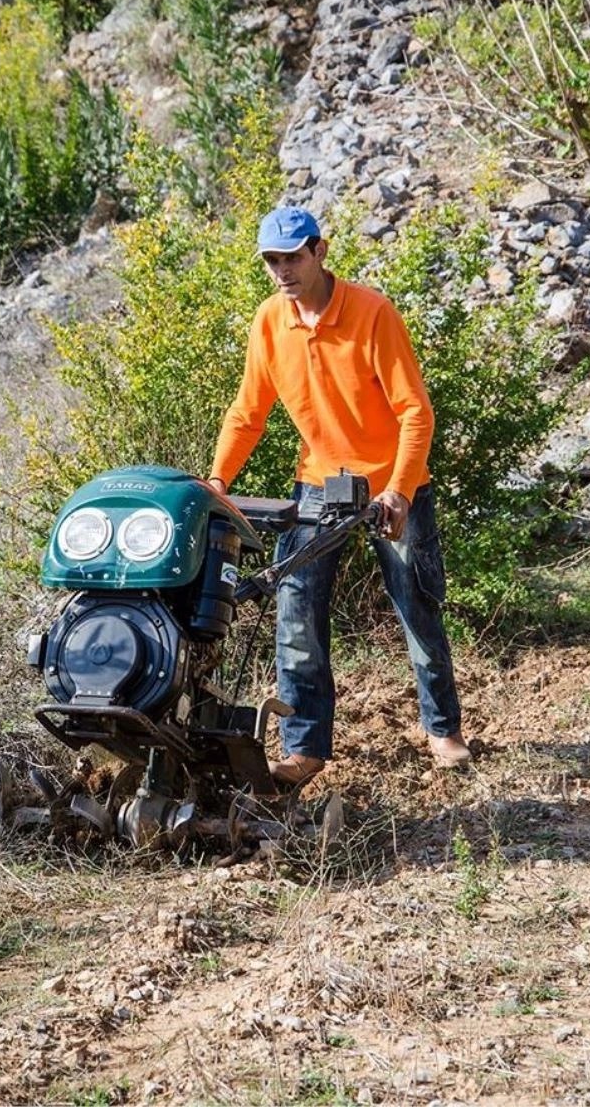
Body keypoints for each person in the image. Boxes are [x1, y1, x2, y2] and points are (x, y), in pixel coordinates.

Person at [207, 205, 470, 787]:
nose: (282, 270)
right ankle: (304, 750)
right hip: (320, 485)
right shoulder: (270, 322)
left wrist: (400, 492)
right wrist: (218, 480)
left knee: (416, 605)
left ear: (320, 252)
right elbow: (249, 413)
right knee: (295, 610)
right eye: (272, 260)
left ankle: (442, 727)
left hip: (392, 486)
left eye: (292, 257)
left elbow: (414, 413)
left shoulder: (372, 313)